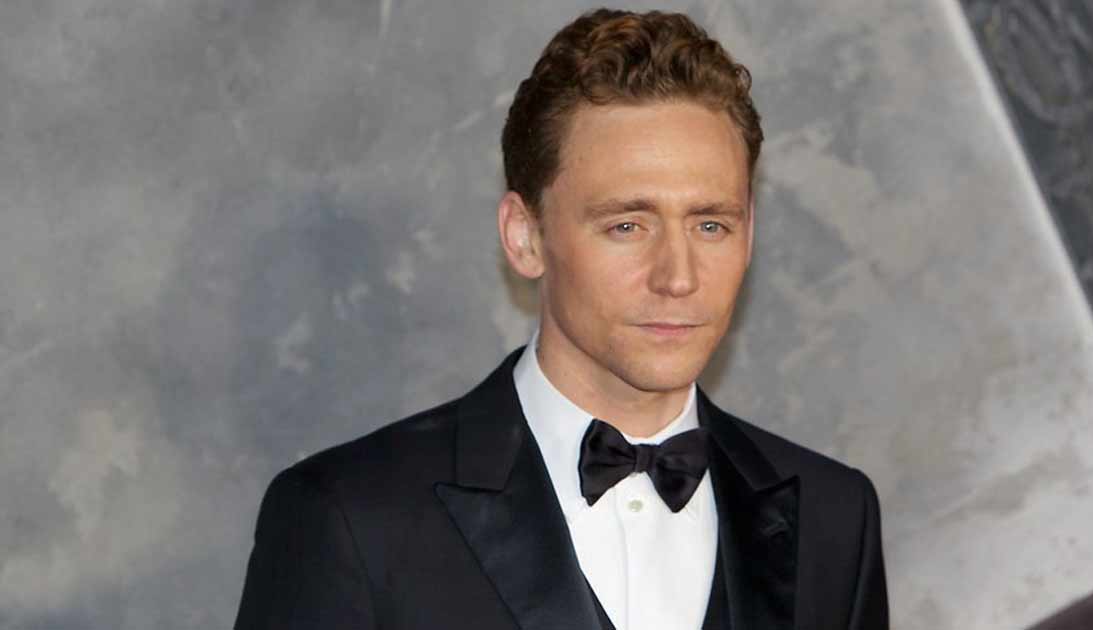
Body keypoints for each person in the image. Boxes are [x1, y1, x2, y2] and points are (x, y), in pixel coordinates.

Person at [232, 8, 888, 630]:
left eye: (710, 224)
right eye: (627, 225)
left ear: (749, 236)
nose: (678, 277)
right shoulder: (350, 518)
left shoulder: (835, 518)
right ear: (524, 237)